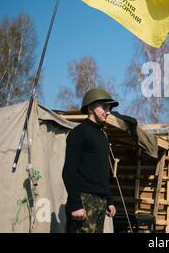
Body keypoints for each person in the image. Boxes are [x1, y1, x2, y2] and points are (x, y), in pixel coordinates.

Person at [62, 88, 119, 233]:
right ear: (91, 107)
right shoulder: (79, 133)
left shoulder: (103, 136)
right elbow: (68, 171)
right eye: (104, 107)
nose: (108, 112)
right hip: (84, 200)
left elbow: (102, 172)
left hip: (100, 202)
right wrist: (76, 204)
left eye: (109, 108)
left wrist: (109, 200)